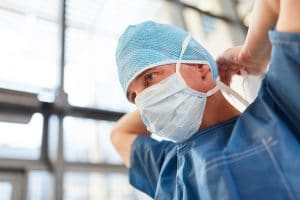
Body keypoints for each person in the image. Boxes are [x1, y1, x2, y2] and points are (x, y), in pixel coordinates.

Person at [111, 0, 300, 199]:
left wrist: (253, 54)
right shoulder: (167, 169)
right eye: (134, 97)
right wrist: (155, 101)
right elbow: (119, 134)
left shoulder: (278, 110)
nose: (143, 100)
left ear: (201, 69)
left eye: (149, 77)